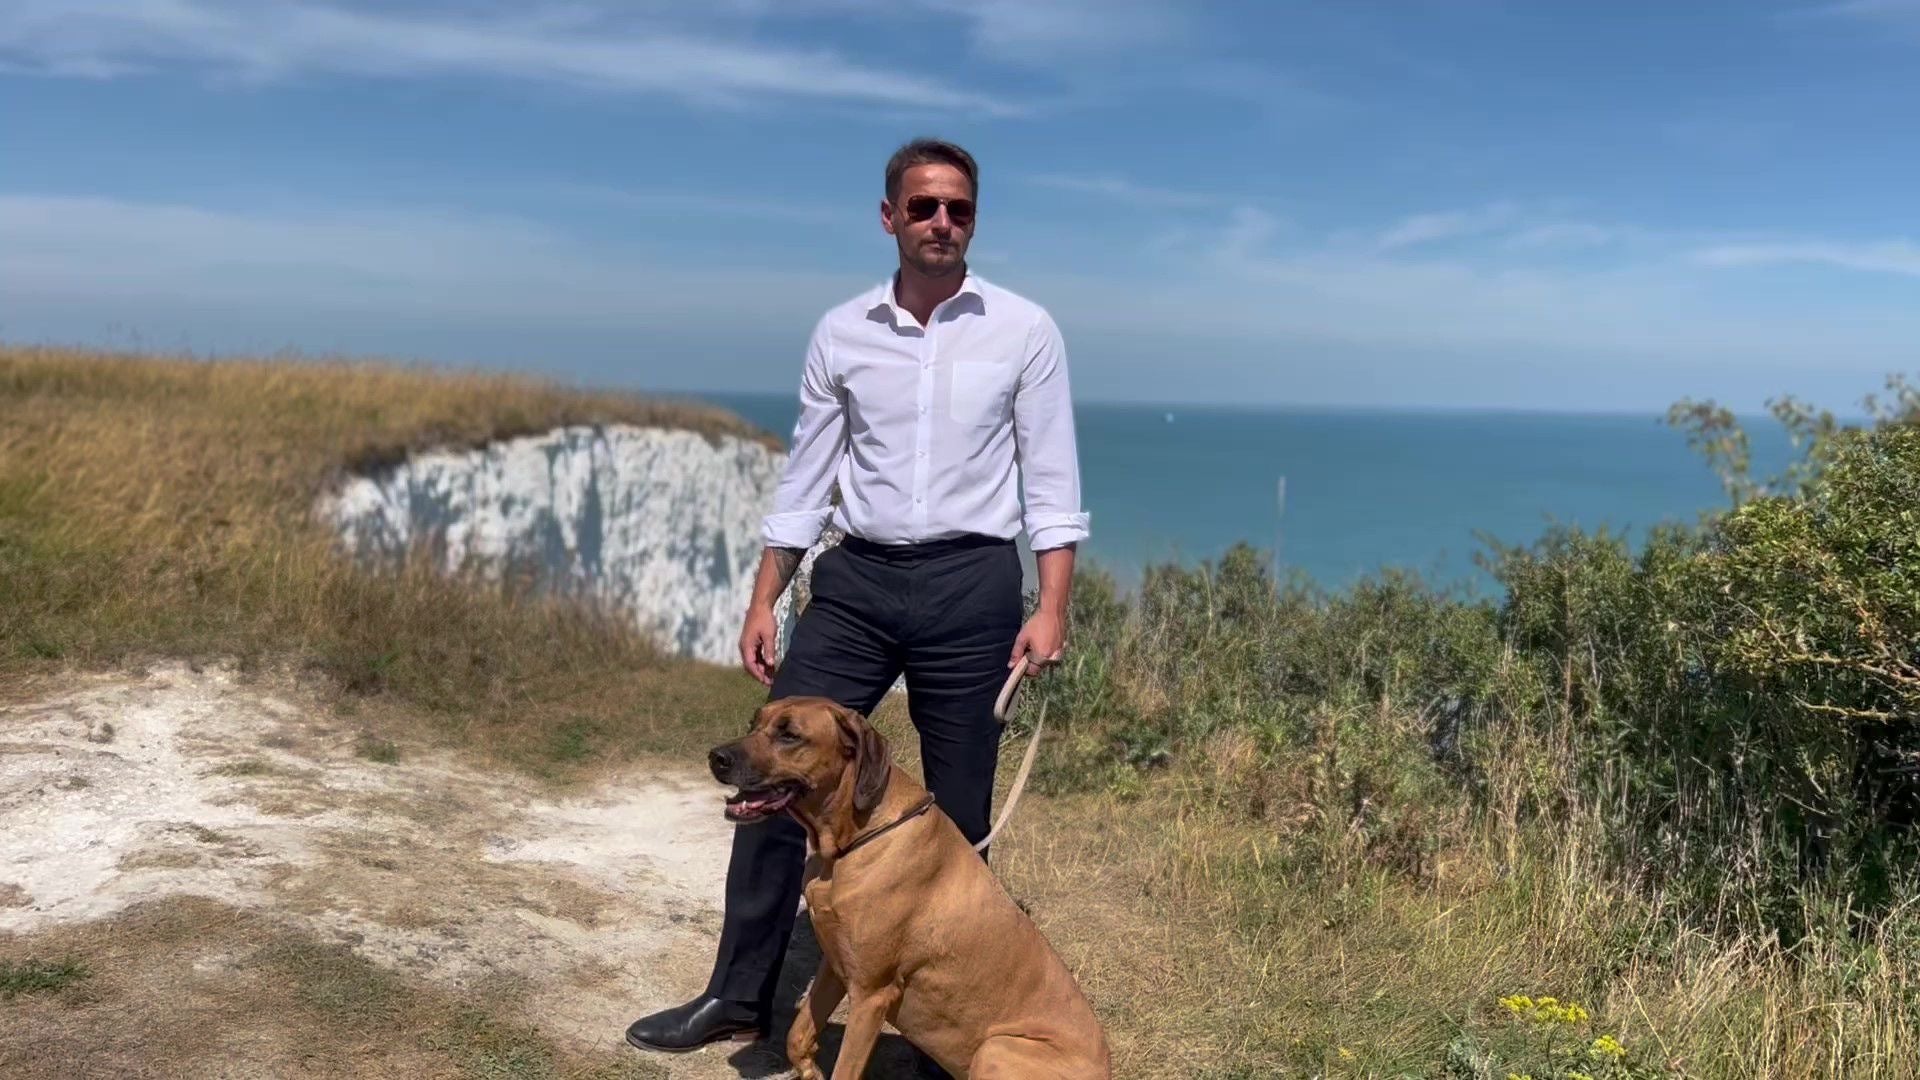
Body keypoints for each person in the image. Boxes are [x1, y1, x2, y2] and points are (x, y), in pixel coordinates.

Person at [625, 137, 1089, 1057]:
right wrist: (766, 596)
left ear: (973, 221)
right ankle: (737, 996)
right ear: (889, 217)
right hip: (857, 582)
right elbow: (807, 478)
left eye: (958, 208)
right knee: (775, 774)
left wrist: (1051, 607)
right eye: (923, 206)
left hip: (971, 587)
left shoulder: (1025, 329)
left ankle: (941, 1034)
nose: (941, 222)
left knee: (957, 818)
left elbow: (1052, 477)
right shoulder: (842, 332)